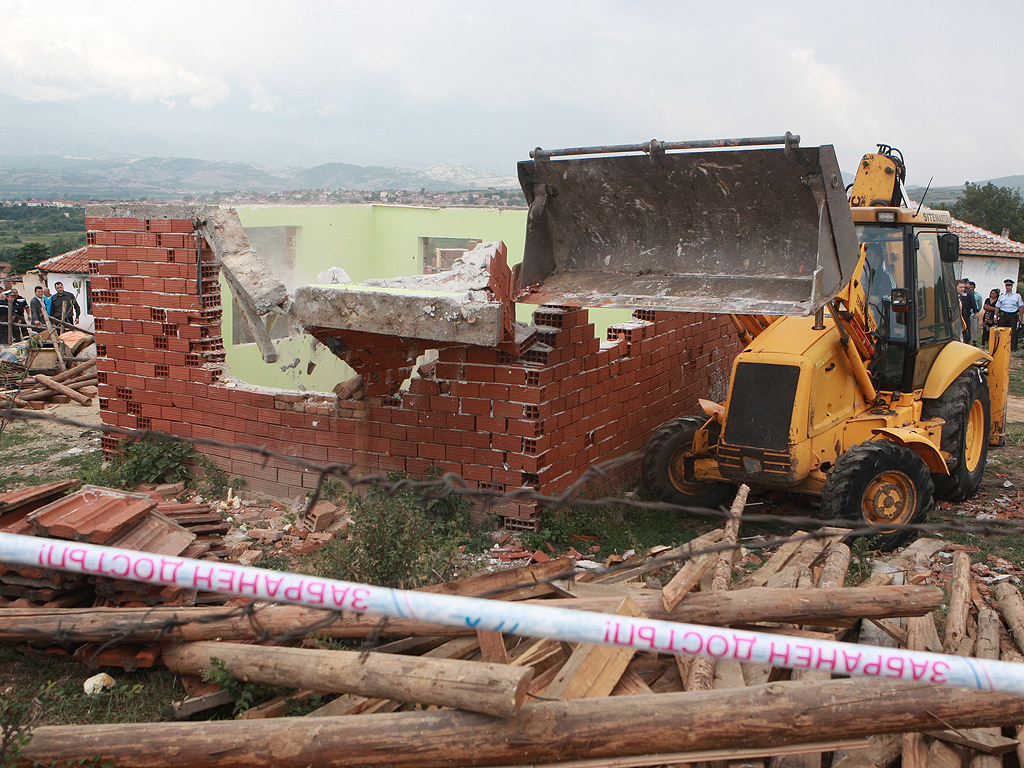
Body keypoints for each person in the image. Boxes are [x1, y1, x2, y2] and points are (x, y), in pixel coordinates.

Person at [996, 278, 1024, 352]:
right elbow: (997, 306)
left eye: (1009, 285)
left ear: (1012, 286)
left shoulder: (1017, 296)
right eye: (1007, 285)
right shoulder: (1002, 296)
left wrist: (1021, 317)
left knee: (1013, 332)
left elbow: (1021, 306)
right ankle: (1001, 346)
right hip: (1003, 315)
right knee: (1001, 330)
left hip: (1013, 315)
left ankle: (1013, 348)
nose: (1008, 287)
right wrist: (995, 316)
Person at [969, 281, 982, 345]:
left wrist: (976, 312)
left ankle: (974, 341)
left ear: (974, 287)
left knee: (974, 328)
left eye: (972, 287)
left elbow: (979, 305)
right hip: (967, 314)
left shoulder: (978, 296)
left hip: (974, 314)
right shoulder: (966, 294)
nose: (970, 288)